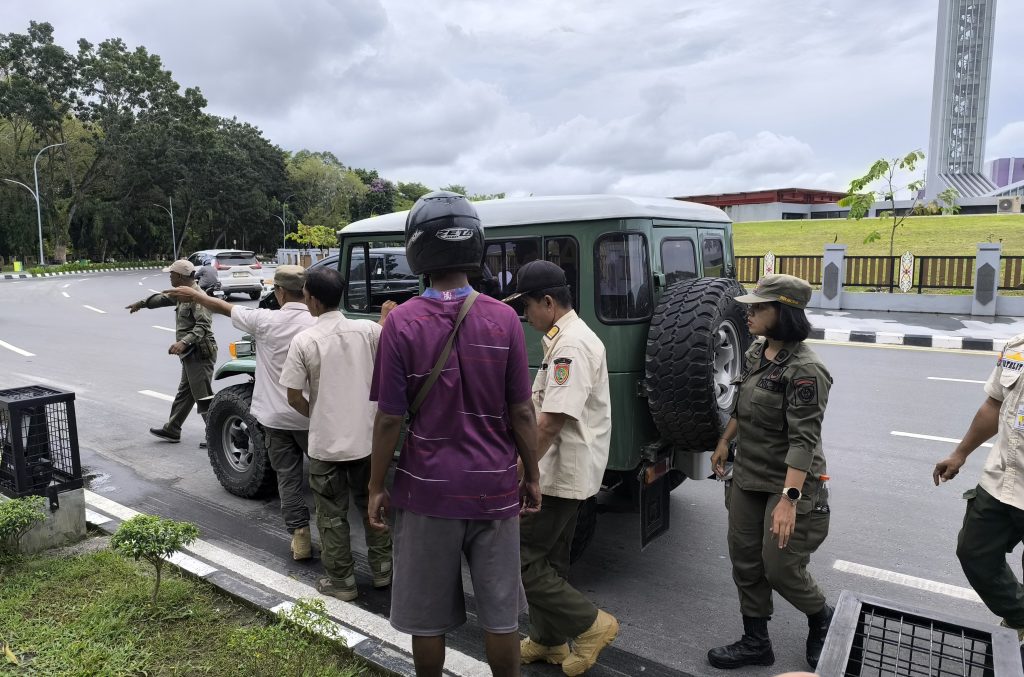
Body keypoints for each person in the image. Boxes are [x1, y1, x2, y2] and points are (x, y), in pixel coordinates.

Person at [367, 191, 542, 677]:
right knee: (501, 618)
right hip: (495, 488)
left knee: (428, 622)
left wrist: (376, 485)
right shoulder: (505, 318)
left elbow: (388, 419)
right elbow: (522, 411)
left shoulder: (401, 323)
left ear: (417, 248)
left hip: (426, 492)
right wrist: (531, 475)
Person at [708, 274, 834, 671]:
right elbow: (744, 406)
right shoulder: (756, 352)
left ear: (783, 313)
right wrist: (725, 440)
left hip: (789, 482)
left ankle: (821, 617)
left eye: (758, 308)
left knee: (780, 569)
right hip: (748, 474)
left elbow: (804, 441)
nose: (749, 313)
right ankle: (756, 641)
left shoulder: (806, 370)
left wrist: (789, 500)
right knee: (745, 560)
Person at [503, 260, 619, 676]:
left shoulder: (571, 345)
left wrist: (521, 472)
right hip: (564, 470)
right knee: (551, 561)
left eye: (527, 306)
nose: (525, 315)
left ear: (548, 302)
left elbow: (550, 422)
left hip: (557, 473)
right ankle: (549, 639)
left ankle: (591, 625)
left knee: (518, 558)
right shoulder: (564, 339)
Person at [165, 265, 317, 560]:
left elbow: (225, 307)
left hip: (276, 420)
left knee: (288, 478)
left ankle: (300, 537)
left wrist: (196, 295)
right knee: (324, 479)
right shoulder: (319, 323)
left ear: (280, 292)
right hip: (312, 416)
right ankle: (333, 538)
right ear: (307, 291)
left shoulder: (265, 320)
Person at [280, 266, 393, 601]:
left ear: (313, 300)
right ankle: (383, 570)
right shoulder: (367, 331)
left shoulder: (305, 341)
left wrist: (318, 415)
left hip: (326, 447)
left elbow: (293, 396)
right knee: (372, 504)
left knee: (331, 516)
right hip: (368, 442)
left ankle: (342, 582)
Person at [933, 332, 1024, 654]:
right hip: (1001, 479)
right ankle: (1020, 616)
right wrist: (960, 454)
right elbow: (994, 404)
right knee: (974, 552)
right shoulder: (1016, 347)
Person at [126, 259, 217, 446]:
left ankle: (218, 435)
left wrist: (183, 342)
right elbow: (163, 298)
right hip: (190, 354)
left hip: (199, 352)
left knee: (203, 395)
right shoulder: (183, 293)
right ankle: (172, 429)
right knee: (186, 392)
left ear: (181, 276)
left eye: (171, 274)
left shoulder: (198, 297)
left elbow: (203, 327)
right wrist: (141, 303)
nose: (169, 277)